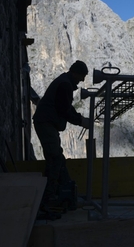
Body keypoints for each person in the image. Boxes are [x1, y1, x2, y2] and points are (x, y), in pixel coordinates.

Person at [33, 60, 91, 210]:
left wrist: (79, 118)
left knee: (57, 158)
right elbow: (64, 110)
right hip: (46, 123)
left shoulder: (64, 82)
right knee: (55, 158)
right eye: (82, 76)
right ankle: (48, 198)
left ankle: (62, 192)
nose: (82, 80)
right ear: (75, 73)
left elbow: (66, 107)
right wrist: (80, 121)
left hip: (46, 123)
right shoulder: (65, 85)